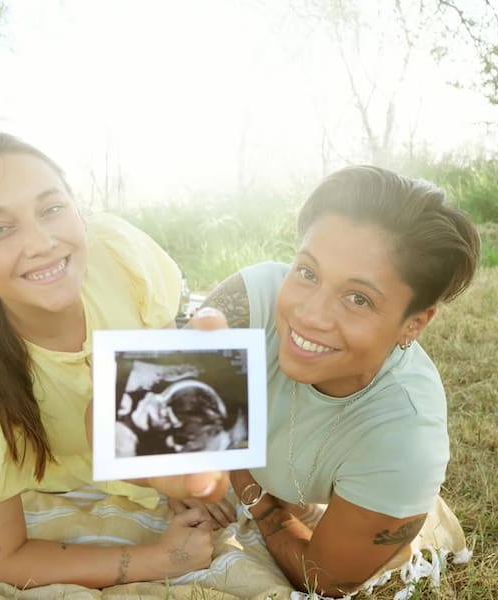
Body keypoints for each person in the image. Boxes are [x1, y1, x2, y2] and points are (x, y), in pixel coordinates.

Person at [0, 132, 228, 590]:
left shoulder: (116, 254)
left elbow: (162, 377)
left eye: (51, 208)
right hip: (64, 473)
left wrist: (165, 479)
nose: (41, 243)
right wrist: (156, 560)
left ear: (76, 207)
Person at [174, 165, 480, 597]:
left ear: (414, 323)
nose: (310, 315)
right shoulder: (252, 301)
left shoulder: (406, 437)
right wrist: (167, 465)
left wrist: (255, 497)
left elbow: (327, 577)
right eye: (307, 273)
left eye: (358, 298)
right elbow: (143, 423)